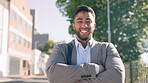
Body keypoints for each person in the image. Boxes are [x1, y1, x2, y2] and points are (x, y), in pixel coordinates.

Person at [46, 5, 125, 83]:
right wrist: (95, 69)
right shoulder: (61, 49)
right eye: (80, 21)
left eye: (88, 21)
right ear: (73, 26)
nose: (84, 25)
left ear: (94, 25)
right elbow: (53, 75)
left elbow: (117, 77)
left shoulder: (107, 48)